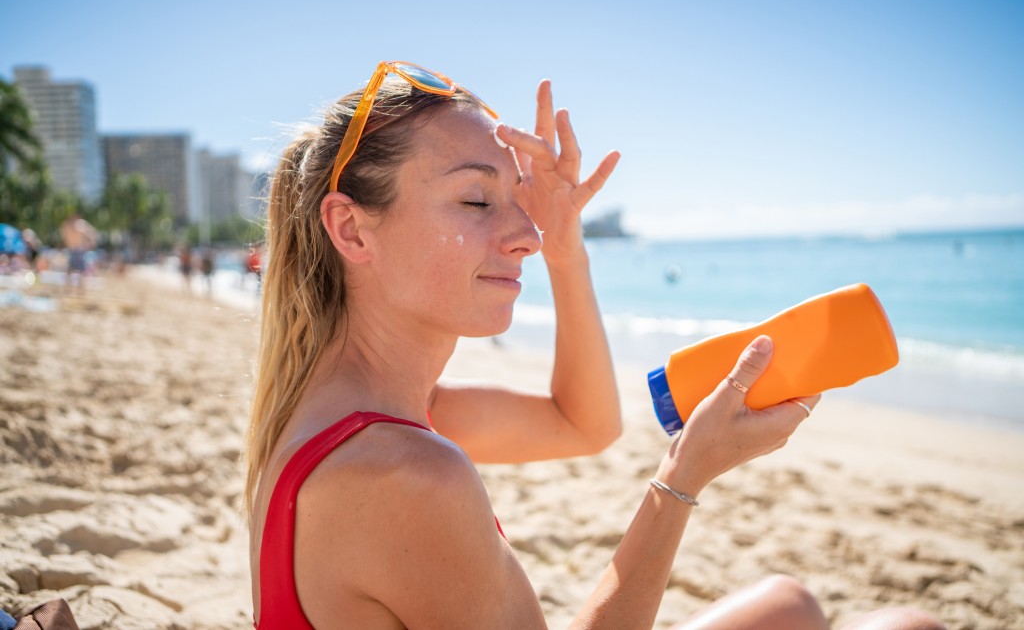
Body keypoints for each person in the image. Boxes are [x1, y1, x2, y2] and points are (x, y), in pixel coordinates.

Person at [245, 61, 945, 629]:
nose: (525, 233)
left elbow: (583, 423)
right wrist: (682, 478)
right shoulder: (406, 473)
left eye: (519, 200)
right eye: (475, 201)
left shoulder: (357, 412)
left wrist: (566, 248)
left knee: (788, 603)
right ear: (352, 228)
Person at [59, 212, 97, 293]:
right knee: (71, 270)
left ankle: (80, 289)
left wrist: (89, 243)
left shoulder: (80, 224)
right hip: (73, 250)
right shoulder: (69, 225)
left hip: (79, 250)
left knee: (79, 271)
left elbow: (92, 233)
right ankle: (71, 288)